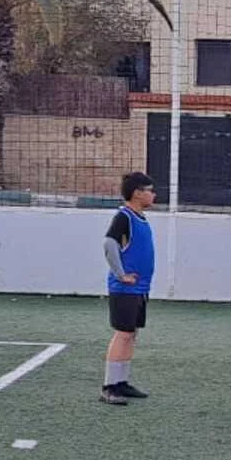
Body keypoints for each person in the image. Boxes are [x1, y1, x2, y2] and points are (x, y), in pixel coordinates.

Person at [102, 173, 157, 406]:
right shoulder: (124, 217)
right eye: (149, 190)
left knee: (131, 334)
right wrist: (120, 274)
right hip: (125, 289)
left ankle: (121, 382)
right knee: (123, 333)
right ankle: (109, 387)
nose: (153, 194)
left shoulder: (141, 218)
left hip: (139, 290)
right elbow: (109, 243)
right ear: (137, 192)